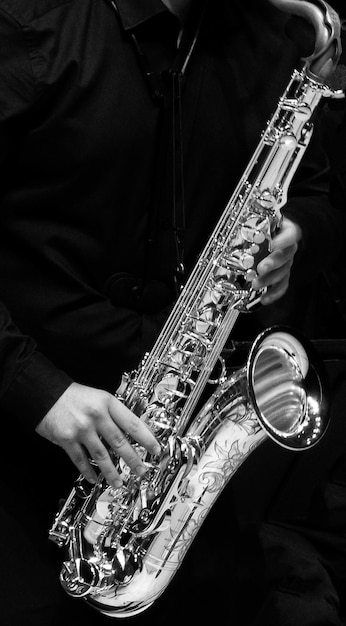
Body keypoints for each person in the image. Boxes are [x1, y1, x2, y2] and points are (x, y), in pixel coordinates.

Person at [0, 0, 344, 625]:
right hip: (22, 429)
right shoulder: (26, 26)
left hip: (172, 443)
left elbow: (317, 193)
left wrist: (297, 232)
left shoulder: (272, 35)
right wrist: (37, 389)